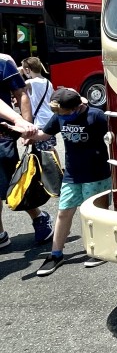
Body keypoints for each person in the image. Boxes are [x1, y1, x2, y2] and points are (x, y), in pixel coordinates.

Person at [21, 88, 110, 276]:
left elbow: (116, 137)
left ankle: (100, 250)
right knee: (63, 213)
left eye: (63, 113)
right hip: (71, 174)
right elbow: (44, 134)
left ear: (77, 107)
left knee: (94, 216)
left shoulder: (96, 116)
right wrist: (27, 134)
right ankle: (56, 254)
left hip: (97, 174)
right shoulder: (59, 116)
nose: (61, 117)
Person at [0, 55, 53, 250]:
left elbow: (21, 93)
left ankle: (39, 217)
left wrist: (25, 124)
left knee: (13, 183)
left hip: (3, 134)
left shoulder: (4, 61)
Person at [21, 57, 59, 159]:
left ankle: (55, 173)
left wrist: (20, 73)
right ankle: (55, 171)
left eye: (24, 70)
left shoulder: (31, 83)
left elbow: (18, 86)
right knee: (48, 148)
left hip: (41, 121)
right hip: (50, 118)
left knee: (46, 151)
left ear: (28, 70)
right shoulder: (48, 82)